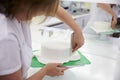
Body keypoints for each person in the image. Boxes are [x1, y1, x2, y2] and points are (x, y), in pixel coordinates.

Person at [0, 0, 84, 80]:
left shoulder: (18, 10)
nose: (44, 12)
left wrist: (78, 31)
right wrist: (45, 71)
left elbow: (54, 9)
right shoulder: (6, 37)